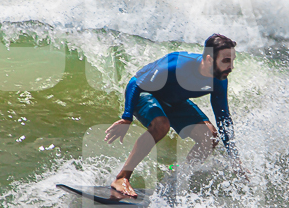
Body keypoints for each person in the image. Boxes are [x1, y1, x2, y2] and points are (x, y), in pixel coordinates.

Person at [104, 34, 243, 198]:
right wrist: (127, 117)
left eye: (232, 61)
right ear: (209, 59)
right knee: (161, 125)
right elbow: (135, 83)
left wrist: (234, 158)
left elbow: (223, 118)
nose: (231, 67)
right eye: (226, 61)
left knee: (210, 137)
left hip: (174, 101)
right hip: (146, 94)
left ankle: (175, 178)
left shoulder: (219, 79)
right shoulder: (178, 64)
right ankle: (122, 177)